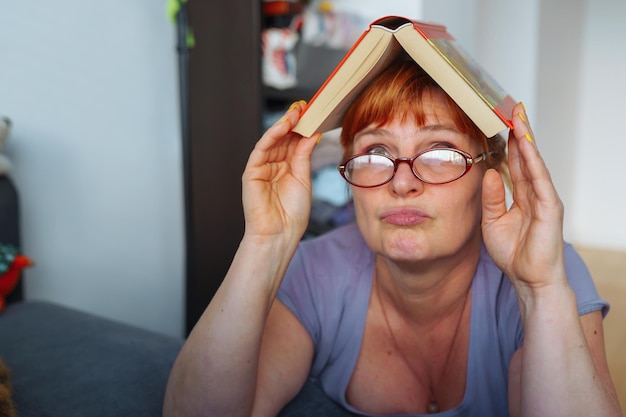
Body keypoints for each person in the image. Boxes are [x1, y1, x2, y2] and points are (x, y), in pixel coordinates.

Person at [163, 58, 622, 417]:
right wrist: (266, 242)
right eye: (376, 153)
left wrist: (540, 290)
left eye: (440, 151)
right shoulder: (315, 270)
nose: (402, 182)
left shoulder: (544, 270)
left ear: (491, 174)